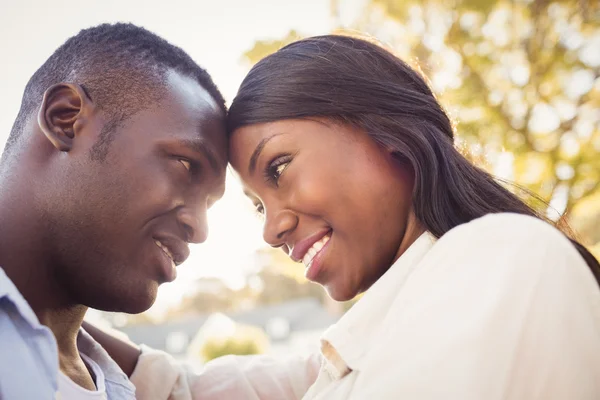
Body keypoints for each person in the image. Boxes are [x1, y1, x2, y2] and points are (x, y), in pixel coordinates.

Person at [98, 34, 600, 399]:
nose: (271, 230)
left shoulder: (498, 262)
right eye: (257, 206)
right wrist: (33, 295)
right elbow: (182, 390)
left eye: (279, 168)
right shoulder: (368, 341)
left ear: (387, 135)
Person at [0, 22, 229, 399]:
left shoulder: (116, 387)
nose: (200, 229)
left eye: (209, 203)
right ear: (65, 118)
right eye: (186, 166)